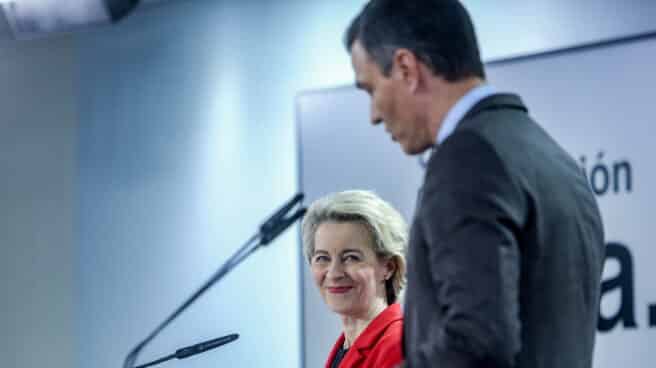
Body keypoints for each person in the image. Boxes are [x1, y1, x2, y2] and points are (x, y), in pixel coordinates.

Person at [344, 1, 606, 367]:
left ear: (406, 68)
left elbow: (477, 341)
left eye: (370, 89)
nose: (373, 115)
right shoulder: (554, 159)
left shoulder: (467, 159)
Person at [302, 190, 408, 368]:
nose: (334, 273)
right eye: (322, 258)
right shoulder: (345, 344)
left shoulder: (397, 346)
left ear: (389, 267)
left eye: (351, 257)